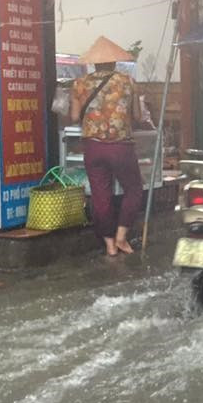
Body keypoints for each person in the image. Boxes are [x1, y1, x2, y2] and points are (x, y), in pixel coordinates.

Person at [70, 36, 143, 256]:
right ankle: (122, 237)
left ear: (94, 62)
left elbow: (74, 116)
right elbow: (138, 116)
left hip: (92, 147)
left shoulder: (80, 84)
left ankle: (109, 245)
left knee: (101, 195)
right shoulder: (127, 82)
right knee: (133, 189)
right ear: (114, 62)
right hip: (121, 146)